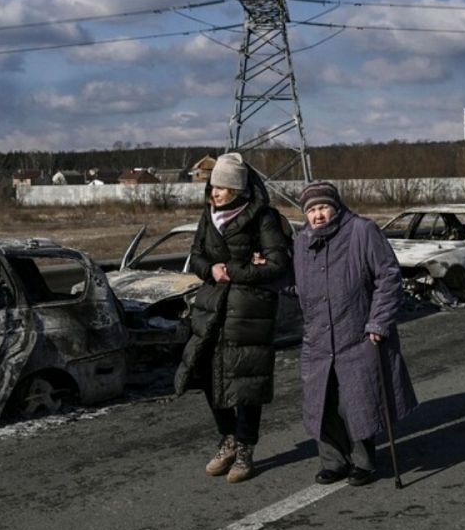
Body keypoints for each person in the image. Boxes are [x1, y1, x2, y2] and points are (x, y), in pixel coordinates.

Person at [173, 152, 292, 484]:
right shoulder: (208, 215)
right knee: (209, 374)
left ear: (238, 188)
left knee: (246, 381)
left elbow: (277, 263)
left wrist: (235, 270)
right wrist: (209, 269)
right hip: (212, 307)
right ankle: (227, 438)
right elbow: (196, 254)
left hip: (248, 309)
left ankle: (245, 450)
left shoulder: (262, 217)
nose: (215, 192)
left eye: (223, 187)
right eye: (214, 186)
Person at [293, 181, 416, 486]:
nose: (318, 215)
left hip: (357, 332)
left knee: (356, 400)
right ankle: (333, 462)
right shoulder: (301, 241)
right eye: (311, 210)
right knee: (323, 401)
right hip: (318, 338)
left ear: (335, 207)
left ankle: (363, 462)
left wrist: (378, 322)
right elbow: (296, 284)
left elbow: (388, 277)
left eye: (322, 207)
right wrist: (264, 273)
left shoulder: (362, 231)